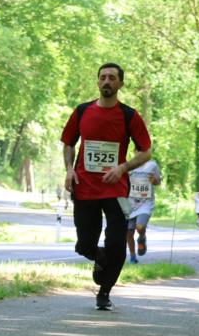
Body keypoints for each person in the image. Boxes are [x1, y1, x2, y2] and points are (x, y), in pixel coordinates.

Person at [62, 62, 152, 311]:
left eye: (112, 78)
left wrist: (122, 168)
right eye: (103, 77)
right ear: (97, 81)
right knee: (84, 245)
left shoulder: (129, 116)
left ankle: (104, 292)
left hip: (116, 191)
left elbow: (145, 152)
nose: (107, 82)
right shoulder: (82, 111)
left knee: (117, 244)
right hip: (85, 188)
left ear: (120, 83)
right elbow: (69, 143)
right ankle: (98, 258)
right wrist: (69, 170)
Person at [125, 158, 161, 265]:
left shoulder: (152, 165)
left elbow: (158, 181)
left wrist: (155, 180)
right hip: (130, 203)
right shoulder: (129, 165)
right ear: (135, 151)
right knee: (128, 232)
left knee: (140, 226)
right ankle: (132, 257)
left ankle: (142, 237)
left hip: (145, 203)